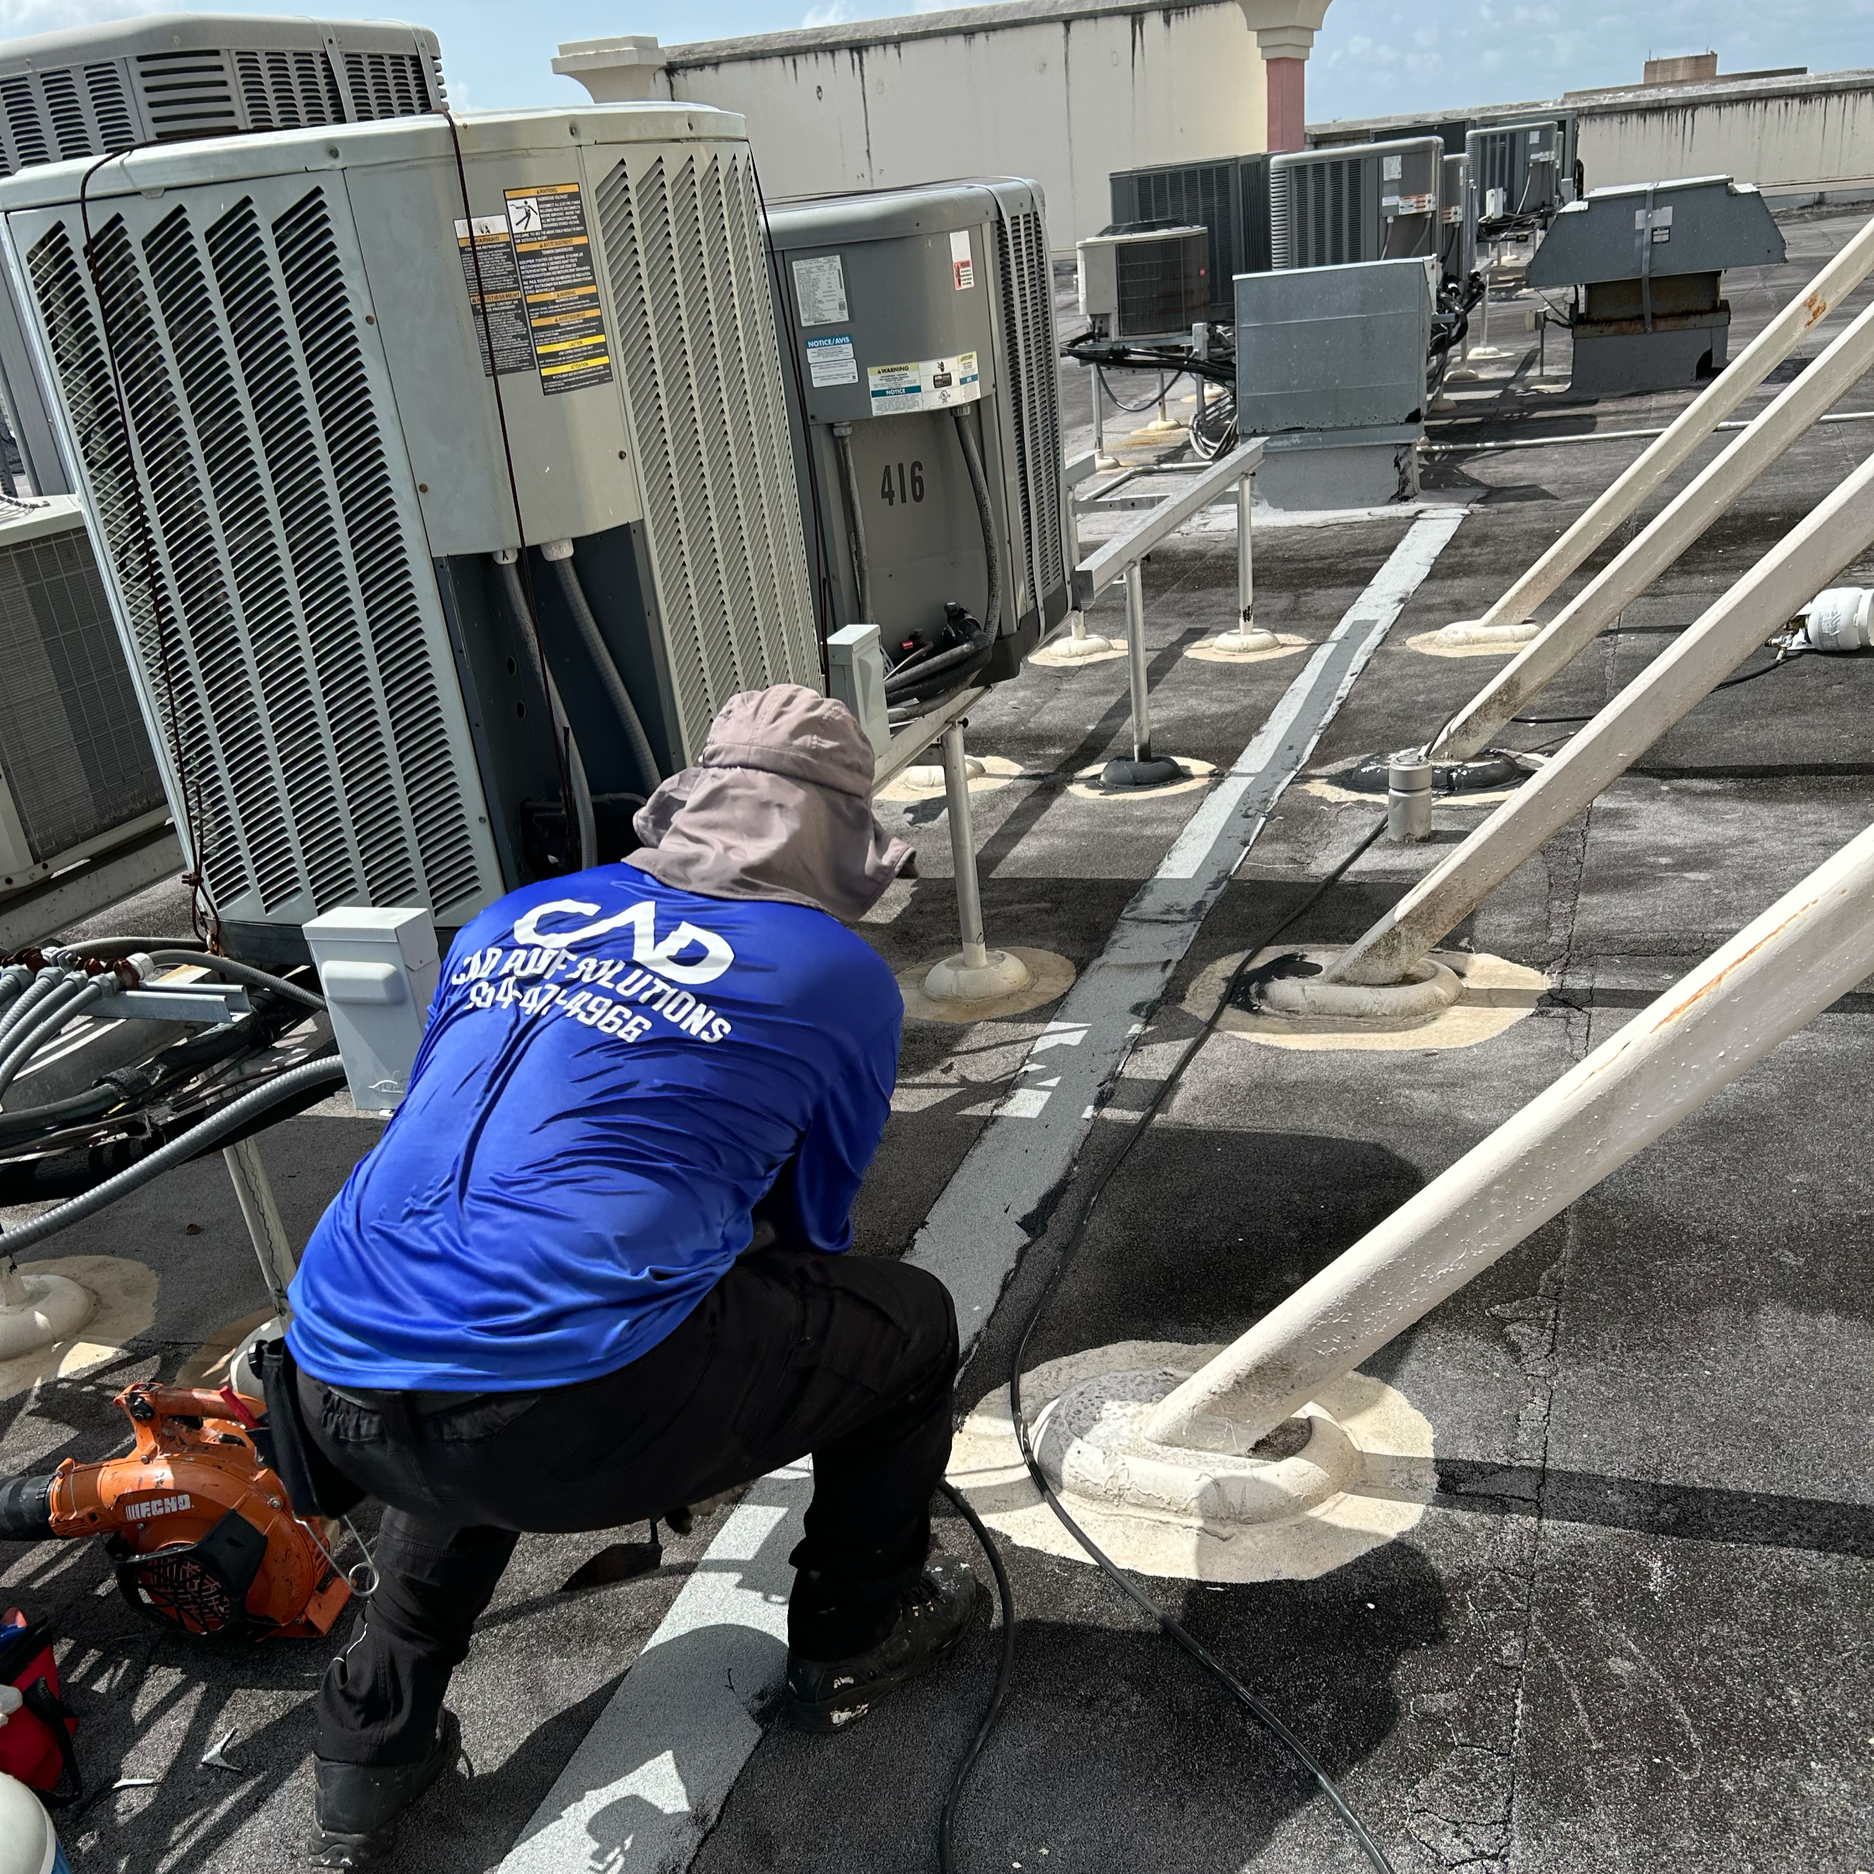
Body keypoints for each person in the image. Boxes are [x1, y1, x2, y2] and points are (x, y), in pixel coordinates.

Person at [284, 685, 977, 1867]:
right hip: (555, 1420)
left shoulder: (517, 912)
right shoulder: (832, 968)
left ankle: (370, 1741)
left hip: (325, 1370)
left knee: (475, 1336)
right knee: (907, 1327)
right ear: (834, 835)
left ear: (689, 798)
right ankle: (855, 1629)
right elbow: (814, 1224)